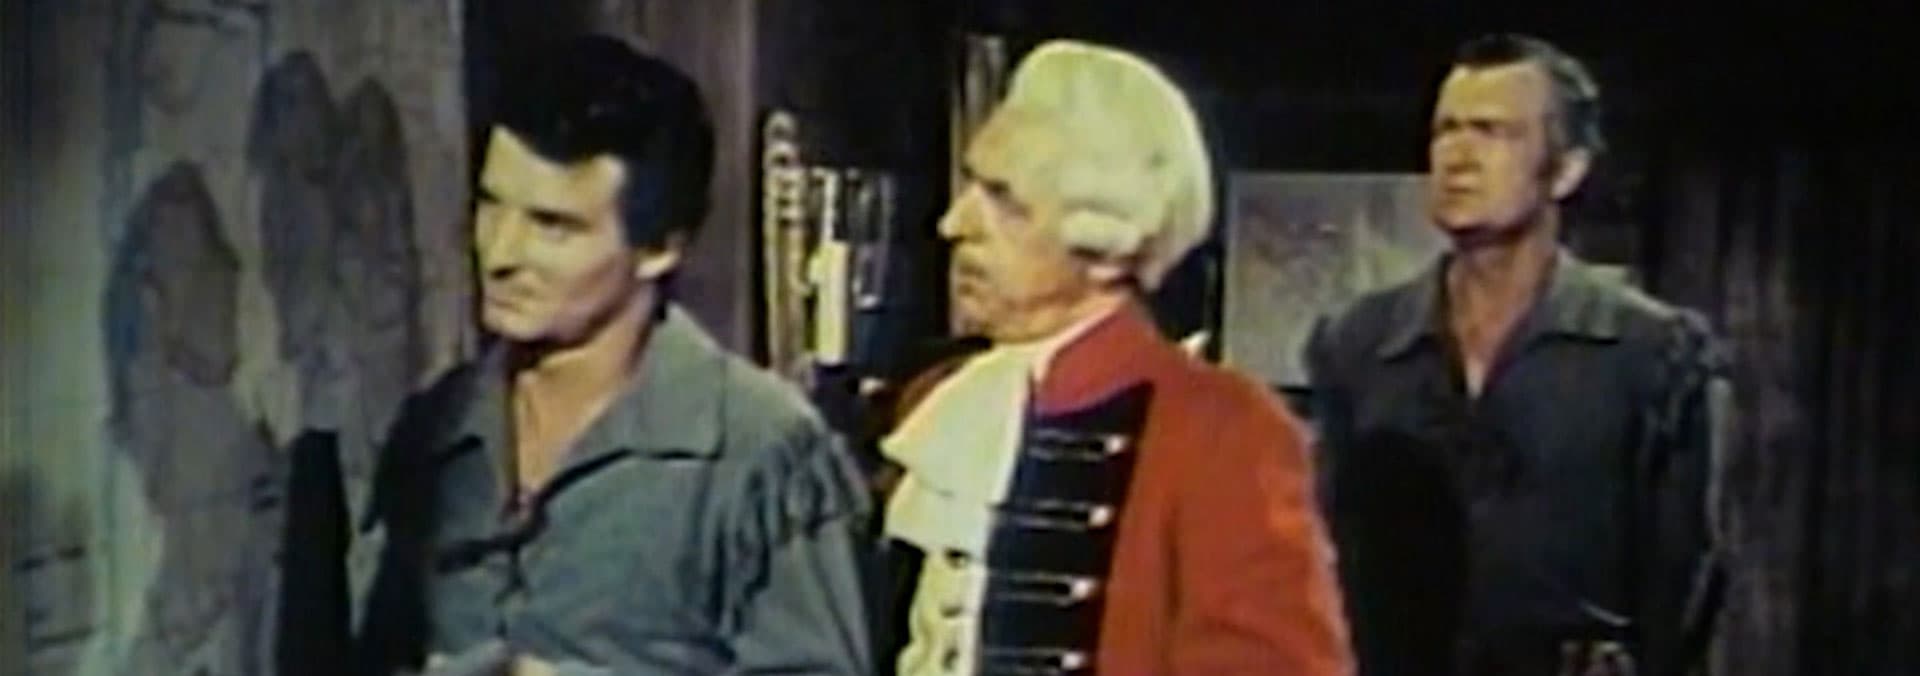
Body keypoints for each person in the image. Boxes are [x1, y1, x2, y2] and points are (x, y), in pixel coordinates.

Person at [353, 34, 871, 675]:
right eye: (490, 206)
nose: (500, 253)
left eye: (552, 226)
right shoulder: (436, 430)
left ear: (659, 249)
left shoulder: (760, 452)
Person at [876, 39, 1352, 675]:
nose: (954, 224)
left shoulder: (1224, 429)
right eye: (971, 186)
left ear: (1104, 244)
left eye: (1005, 202)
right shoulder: (943, 401)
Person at [1303, 33, 1732, 676]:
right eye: (1446, 130)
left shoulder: (1652, 356)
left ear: (1567, 169)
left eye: (1493, 132)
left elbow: (1684, 592)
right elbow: (1321, 556)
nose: (1458, 158)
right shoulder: (1359, 345)